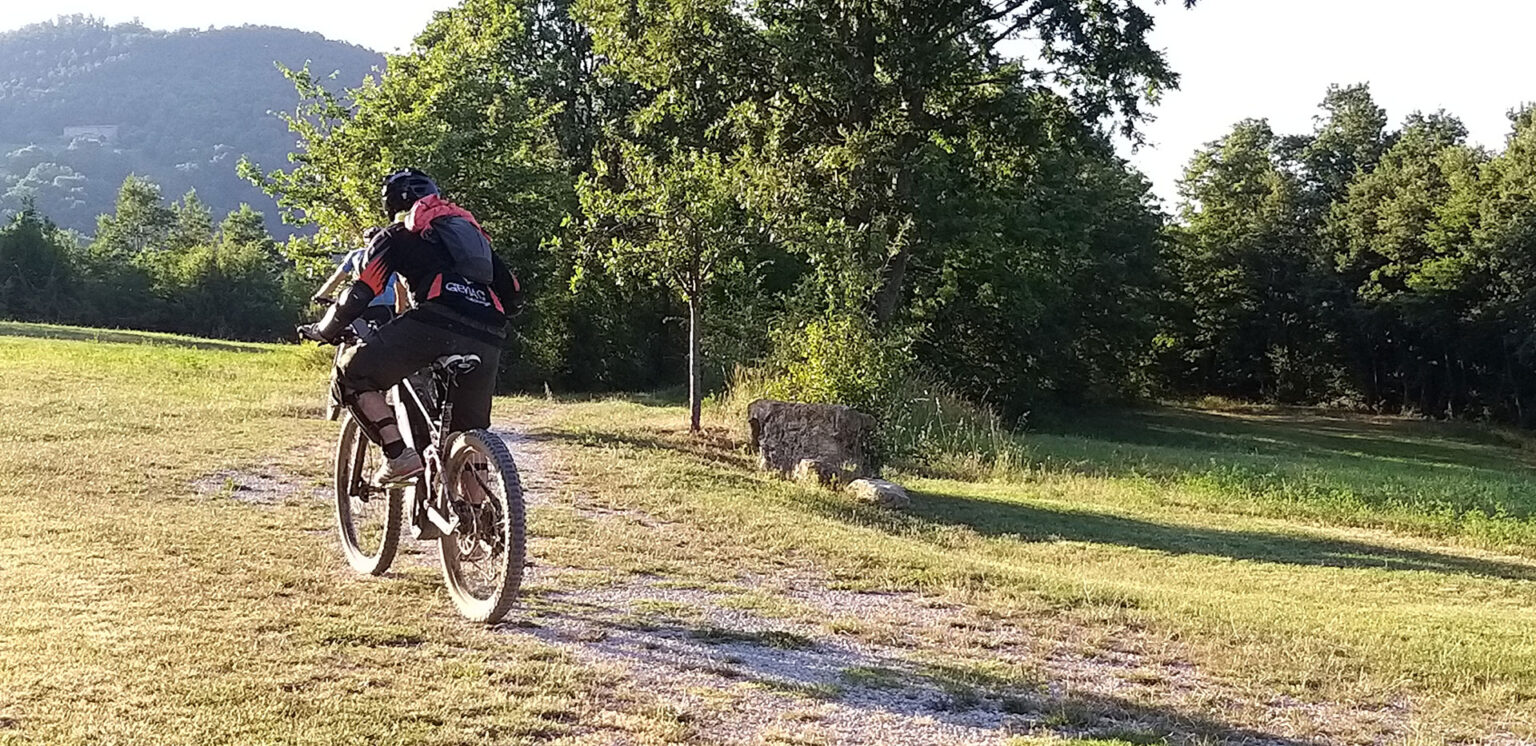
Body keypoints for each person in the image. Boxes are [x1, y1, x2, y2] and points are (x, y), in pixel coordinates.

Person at [300, 169, 522, 485]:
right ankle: (486, 523)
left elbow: (363, 289)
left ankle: (399, 457)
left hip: (434, 323)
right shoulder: (474, 239)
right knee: (467, 435)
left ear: (392, 205)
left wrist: (325, 328)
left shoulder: (396, 235)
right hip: (489, 334)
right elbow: (513, 295)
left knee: (351, 375)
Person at [312, 227, 399, 326]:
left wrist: (321, 295)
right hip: (387, 304)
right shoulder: (393, 255)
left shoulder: (356, 255)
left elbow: (336, 279)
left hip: (360, 302)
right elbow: (400, 283)